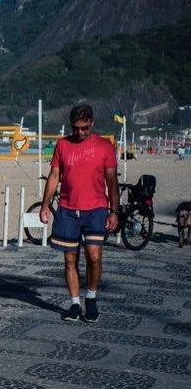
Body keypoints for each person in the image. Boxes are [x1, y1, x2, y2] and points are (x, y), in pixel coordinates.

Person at [39, 103, 119, 323]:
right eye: (76, 128)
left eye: (84, 128)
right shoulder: (62, 145)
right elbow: (54, 176)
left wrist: (114, 211)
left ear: (92, 123)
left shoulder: (104, 146)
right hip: (67, 209)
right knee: (69, 259)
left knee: (94, 256)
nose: (80, 132)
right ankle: (75, 304)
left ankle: (91, 296)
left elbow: (112, 181)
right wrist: (45, 205)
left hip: (96, 209)